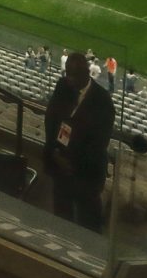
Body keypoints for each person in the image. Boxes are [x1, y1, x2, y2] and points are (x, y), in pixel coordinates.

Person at [42, 52, 114, 227]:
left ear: (86, 73)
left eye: (74, 75)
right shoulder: (63, 86)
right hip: (60, 167)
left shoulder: (103, 101)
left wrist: (72, 163)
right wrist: (54, 153)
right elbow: (51, 119)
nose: (70, 79)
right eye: (68, 74)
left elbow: (99, 143)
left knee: (88, 221)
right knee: (61, 215)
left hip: (86, 174)